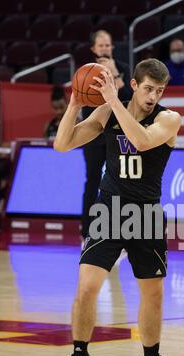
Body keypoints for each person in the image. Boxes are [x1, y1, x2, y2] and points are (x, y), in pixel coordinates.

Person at [54, 58, 184, 356]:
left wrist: (113, 102)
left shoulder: (168, 118)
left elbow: (143, 140)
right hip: (110, 210)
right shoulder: (105, 113)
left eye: (158, 90)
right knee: (87, 287)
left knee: (153, 293)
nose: (152, 95)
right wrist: (75, 104)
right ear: (134, 84)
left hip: (145, 213)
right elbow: (62, 144)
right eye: (147, 88)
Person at [81, 30, 133, 240]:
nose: (105, 49)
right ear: (93, 49)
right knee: (92, 181)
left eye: (108, 45)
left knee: (121, 182)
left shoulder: (123, 68)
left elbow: (130, 100)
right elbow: (86, 106)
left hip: (119, 136)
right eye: (101, 46)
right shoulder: (87, 72)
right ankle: (87, 231)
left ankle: (121, 229)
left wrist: (115, 74)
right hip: (95, 136)